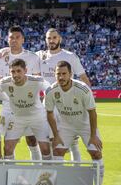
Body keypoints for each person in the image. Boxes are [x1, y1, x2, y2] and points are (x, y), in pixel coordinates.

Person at [45, 61, 106, 185]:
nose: (61, 77)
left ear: (70, 74)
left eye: (64, 74)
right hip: (66, 127)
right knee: (58, 152)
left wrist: (93, 135)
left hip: (85, 126)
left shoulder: (83, 89)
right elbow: (49, 114)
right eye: (58, 74)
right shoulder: (51, 91)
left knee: (96, 153)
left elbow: (92, 113)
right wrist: (56, 135)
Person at [37, 28, 91, 162]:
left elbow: (84, 78)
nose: (52, 40)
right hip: (48, 104)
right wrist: (4, 52)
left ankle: (75, 172)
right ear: (45, 40)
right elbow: (20, 56)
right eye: (49, 38)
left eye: (54, 38)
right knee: (50, 140)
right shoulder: (38, 56)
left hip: (68, 103)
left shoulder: (70, 56)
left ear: (60, 39)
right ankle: (52, 173)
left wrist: (87, 100)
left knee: (73, 143)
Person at [0, 26, 42, 161]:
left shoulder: (32, 57)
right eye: (11, 37)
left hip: (29, 107)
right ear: (7, 39)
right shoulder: (0, 56)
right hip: (8, 106)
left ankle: (37, 172)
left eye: (17, 37)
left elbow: (37, 80)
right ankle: (9, 174)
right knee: (8, 144)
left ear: (23, 39)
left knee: (32, 140)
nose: (14, 40)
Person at [0, 59, 51, 161]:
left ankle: (46, 174)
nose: (15, 74)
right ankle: (11, 174)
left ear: (25, 70)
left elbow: (49, 89)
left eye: (19, 71)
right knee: (8, 148)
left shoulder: (36, 81)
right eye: (13, 71)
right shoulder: (4, 83)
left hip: (37, 118)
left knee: (45, 148)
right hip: (17, 118)